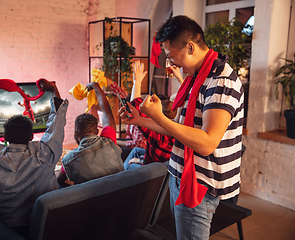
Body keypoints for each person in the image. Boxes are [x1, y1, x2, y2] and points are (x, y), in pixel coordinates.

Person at [119, 15, 244, 240]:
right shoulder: (197, 78)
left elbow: (206, 143)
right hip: (181, 175)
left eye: (170, 55)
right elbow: (181, 130)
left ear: (190, 47)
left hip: (199, 185)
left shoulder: (221, 81)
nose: (170, 63)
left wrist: (159, 117)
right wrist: (140, 120)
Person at [0, 79, 68, 237]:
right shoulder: (46, 153)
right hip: (42, 225)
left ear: (5, 137)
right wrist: (53, 89)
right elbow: (57, 122)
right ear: (32, 136)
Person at [56, 82, 124, 185]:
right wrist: (95, 86)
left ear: (76, 134)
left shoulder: (68, 160)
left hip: (90, 200)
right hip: (121, 195)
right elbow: (107, 111)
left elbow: (58, 181)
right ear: (97, 132)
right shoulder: (109, 140)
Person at [124, 60, 178, 170]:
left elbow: (135, 108)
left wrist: (137, 82)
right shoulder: (181, 130)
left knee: (128, 166)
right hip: (163, 168)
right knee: (135, 151)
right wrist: (180, 78)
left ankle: (118, 178)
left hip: (150, 173)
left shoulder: (158, 135)